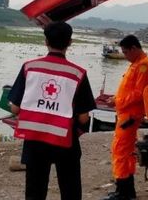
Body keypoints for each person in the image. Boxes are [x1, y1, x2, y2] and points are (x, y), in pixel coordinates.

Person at [9, 21, 96, 200]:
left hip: (34, 140)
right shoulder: (78, 74)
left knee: (35, 190)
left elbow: (15, 108)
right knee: (70, 189)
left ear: (46, 41)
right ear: (70, 42)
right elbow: (83, 118)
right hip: (65, 140)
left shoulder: (29, 68)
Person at [103, 35, 148, 200]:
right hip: (125, 113)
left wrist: (117, 101)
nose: (124, 56)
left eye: (125, 52)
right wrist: (116, 99)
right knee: (125, 151)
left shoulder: (144, 66)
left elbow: (139, 93)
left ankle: (123, 191)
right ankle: (125, 190)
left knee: (120, 150)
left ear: (134, 48)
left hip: (130, 115)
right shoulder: (136, 64)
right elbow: (129, 90)